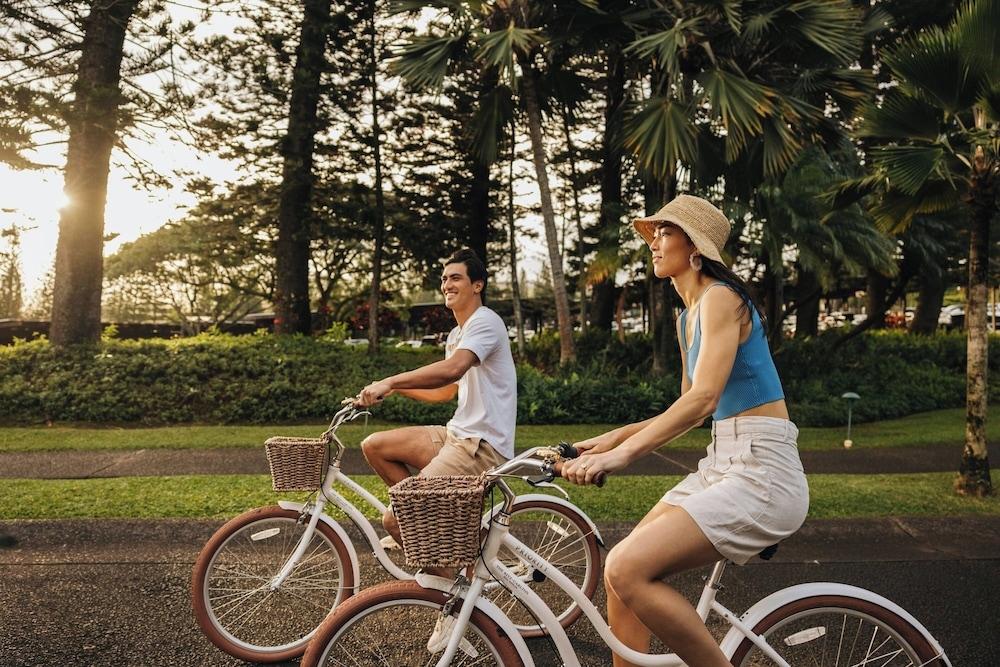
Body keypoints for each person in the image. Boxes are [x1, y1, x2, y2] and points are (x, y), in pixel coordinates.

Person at [561, 195, 809, 667]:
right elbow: (689, 410)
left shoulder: (721, 297)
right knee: (620, 576)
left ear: (696, 248)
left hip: (762, 472)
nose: (653, 241)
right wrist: (613, 437)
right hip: (724, 462)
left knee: (627, 568)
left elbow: (705, 398)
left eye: (665, 232)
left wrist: (623, 456)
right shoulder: (685, 318)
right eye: (653, 233)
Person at [355, 248, 517, 586]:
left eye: (456, 277)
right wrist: (395, 391)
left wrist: (393, 380)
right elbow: (446, 391)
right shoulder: (458, 335)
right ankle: (433, 528)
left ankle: (461, 600)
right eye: (444, 279)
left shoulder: (485, 321)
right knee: (375, 446)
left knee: (395, 520)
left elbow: (452, 370)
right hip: (457, 434)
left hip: (481, 445)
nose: (447, 284)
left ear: (477, 286)